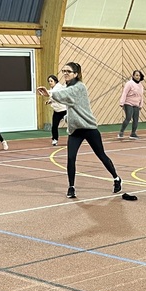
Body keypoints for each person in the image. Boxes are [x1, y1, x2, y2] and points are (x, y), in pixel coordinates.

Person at [37, 62, 121, 199]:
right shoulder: (67, 87)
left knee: (101, 155)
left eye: (68, 71)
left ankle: (116, 178)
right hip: (75, 130)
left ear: (76, 74)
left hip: (88, 128)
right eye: (63, 71)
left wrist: (49, 93)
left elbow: (67, 95)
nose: (65, 73)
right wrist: (66, 115)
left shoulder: (80, 87)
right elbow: (67, 101)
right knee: (71, 158)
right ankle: (71, 187)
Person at [118, 69, 145, 140]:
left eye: (139, 75)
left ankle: (133, 133)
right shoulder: (129, 83)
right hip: (128, 103)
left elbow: (141, 96)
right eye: (136, 75)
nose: (138, 77)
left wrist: (141, 104)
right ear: (133, 76)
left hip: (136, 104)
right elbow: (124, 93)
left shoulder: (141, 86)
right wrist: (122, 102)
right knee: (128, 117)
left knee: (136, 119)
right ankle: (121, 132)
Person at [45, 74, 67, 146]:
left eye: (51, 81)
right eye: (49, 81)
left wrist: (44, 91)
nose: (50, 82)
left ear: (55, 81)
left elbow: (53, 93)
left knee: (72, 125)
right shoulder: (52, 89)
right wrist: (49, 101)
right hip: (57, 111)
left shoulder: (58, 87)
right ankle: (55, 139)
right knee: (54, 126)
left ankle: (79, 136)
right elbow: (53, 97)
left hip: (64, 110)